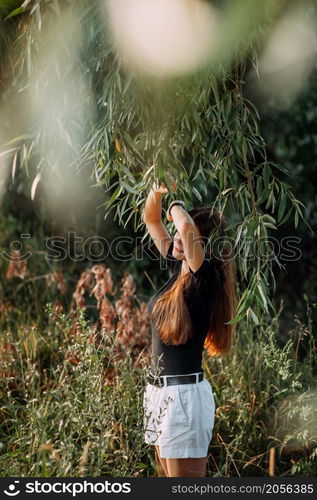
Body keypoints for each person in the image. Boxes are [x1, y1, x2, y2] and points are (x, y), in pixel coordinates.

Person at [142, 176, 237, 477]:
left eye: (189, 237)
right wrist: (157, 191)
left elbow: (183, 226)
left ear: (203, 244)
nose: (178, 240)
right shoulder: (178, 267)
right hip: (158, 394)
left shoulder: (206, 280)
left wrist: (176, 204)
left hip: (183, 398)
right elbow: (151, 219)